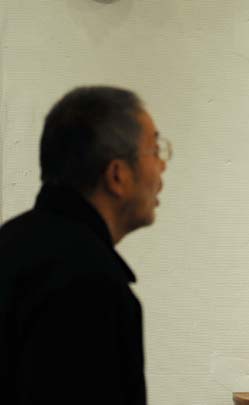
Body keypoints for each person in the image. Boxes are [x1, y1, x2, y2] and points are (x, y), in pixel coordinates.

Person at [0, 86, 170, 404]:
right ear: (117, 176)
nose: (163, 166)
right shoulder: (91, 284)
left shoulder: (10, 243)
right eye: (155, 150)